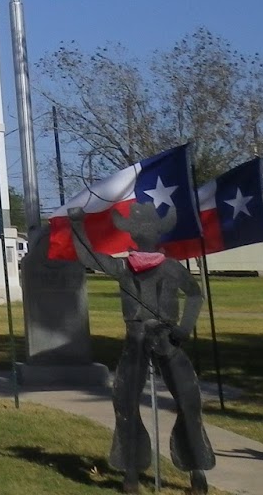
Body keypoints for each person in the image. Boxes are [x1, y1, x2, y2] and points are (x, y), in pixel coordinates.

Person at [68, 202, 215, 494]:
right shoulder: (124, 267)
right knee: (125, 402)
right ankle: (132, 471)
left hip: (168, 337)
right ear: (132, 235)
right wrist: (77, 225)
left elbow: (195, 294)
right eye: (139, 231)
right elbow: (90, 256)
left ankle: (196, 468)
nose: (144, 237)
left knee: (188, 400)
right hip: (135, 338)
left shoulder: (172, 268)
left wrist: (184, 327)